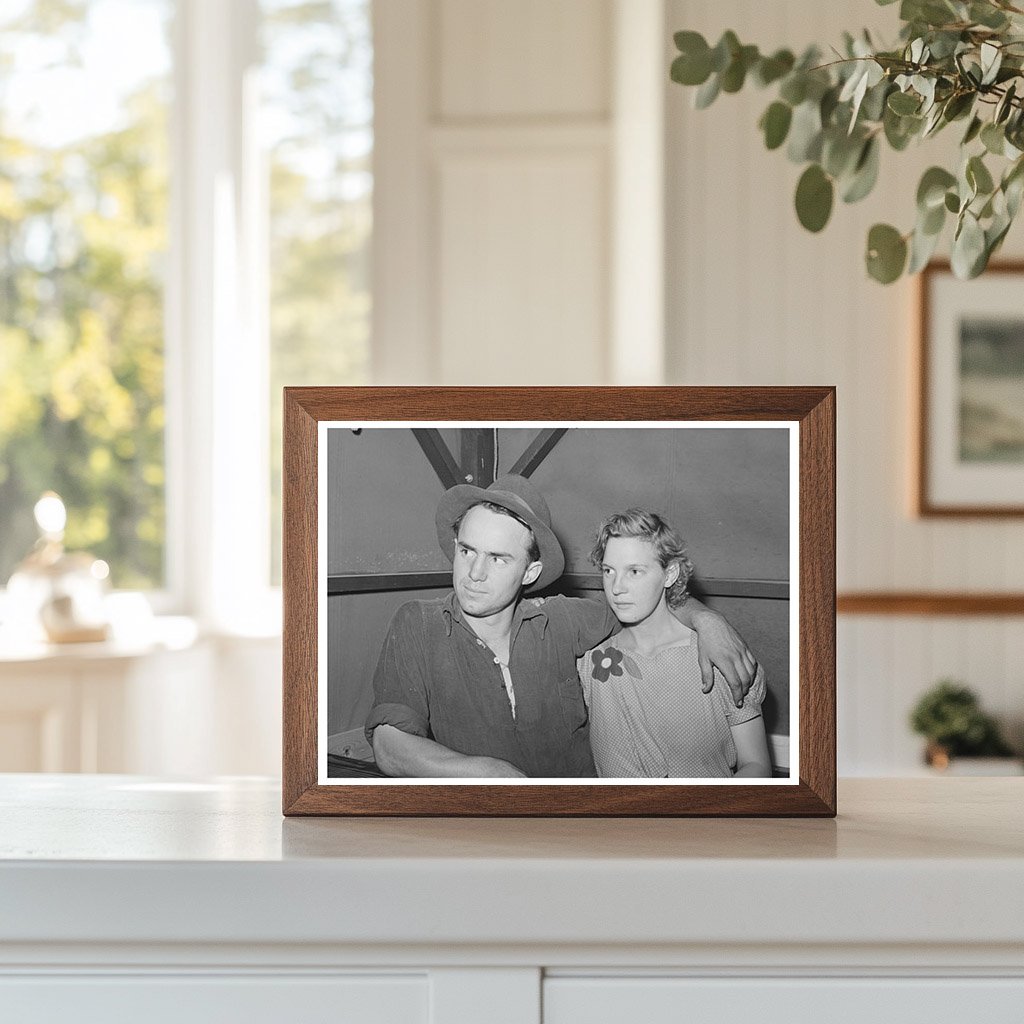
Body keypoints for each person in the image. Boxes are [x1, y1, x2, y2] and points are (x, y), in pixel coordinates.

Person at [365, 475, 759, 778]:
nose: (475, 573)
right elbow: (389, 744)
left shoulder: (562, 619)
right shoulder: (418, 622)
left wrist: (708, 620)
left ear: (530, 571)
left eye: (499, 559)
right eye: (468, 551)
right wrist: (490, 774)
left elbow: (645, 605)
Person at [579, 508, 771, 778]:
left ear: (669, 575)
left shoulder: (718, 658)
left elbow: (756, 766)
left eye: (635, 571)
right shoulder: (589, 664)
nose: (617, 587)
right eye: (609, 571)